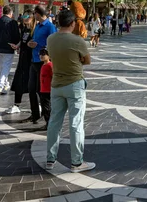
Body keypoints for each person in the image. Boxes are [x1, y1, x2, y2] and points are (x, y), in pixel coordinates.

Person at [45, 9, 95, 173]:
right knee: (76, 124)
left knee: (54, 123)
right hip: (74, 84)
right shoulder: (77, 40)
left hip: (56, 84)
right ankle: (76, 162)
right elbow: (87, 60)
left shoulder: (50, 39)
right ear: (73, 24)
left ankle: (50, 159)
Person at [28, 6, 58, 124]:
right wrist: (31, 43)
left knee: (42, 91)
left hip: (43, 62)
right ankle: (35, 114)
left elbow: (53, 43)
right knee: (31, 89)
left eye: (34, 14)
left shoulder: (50, 27)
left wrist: (39, 45)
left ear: (38, 14)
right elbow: (34, 39)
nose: (33, 16)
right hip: (34, 60)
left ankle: (48, 119)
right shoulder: (37, 26)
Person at [7, 9, 35, 116]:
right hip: (23, 59)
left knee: (34, 84)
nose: (24, 19)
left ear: (32, 18)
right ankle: (16, 105)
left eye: (26, 17)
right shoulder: (24, 29)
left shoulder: (35, 30)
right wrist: (17, 46)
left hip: (31, 60)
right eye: (23, 17)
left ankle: (39, 105)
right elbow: (22, 40)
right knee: (19, 81)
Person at [38, 48, 52, 130]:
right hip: (43, 89)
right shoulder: (43, 65)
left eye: (43, 54)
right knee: (45, 107)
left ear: (49, 56)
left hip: (48, 90)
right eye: (40, 54)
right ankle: (48, 123)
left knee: (47, 108)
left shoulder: (50, 65)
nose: (41, 56)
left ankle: (49, 123)